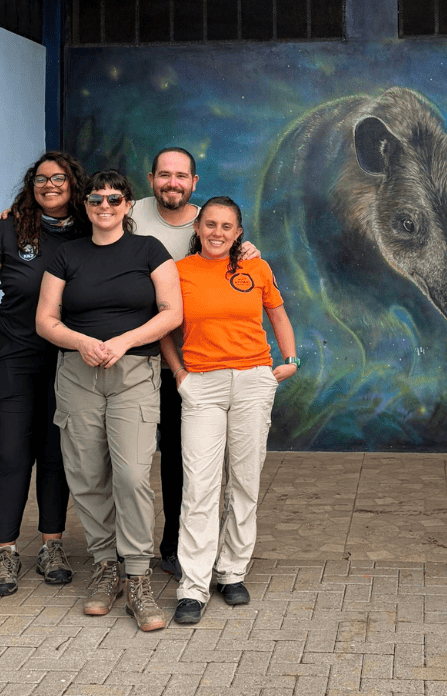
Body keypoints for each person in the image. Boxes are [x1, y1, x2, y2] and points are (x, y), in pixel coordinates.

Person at [36, 170, 182, 632]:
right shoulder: (66, 254)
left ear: (127, 204)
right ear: (86, 205)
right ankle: (105, 567)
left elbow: (172, 312)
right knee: (87, 472)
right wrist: (81, 342)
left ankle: (137, 576)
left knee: (133, 474)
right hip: (77, 374)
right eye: (96, 199)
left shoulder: (149, 251)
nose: (104, 206)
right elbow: (45, 319)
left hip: (133, 374)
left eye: (113, 199)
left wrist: (124, 341)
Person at [158, 197, 298, 625]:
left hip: (254, 381)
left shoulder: (257, 268)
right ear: (197, 227)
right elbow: (165, 327)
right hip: (202, 384)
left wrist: (289, 360)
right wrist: (180, 375)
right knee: (199, 486)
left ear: (239, 233)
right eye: (210, 224)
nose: (217, 232)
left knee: (245, 480)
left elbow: (277, 313)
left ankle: (232, 572)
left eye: (227, 227)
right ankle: (193, 587)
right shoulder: (178, 273)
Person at [131, 147, 258, 581]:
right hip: (142, 360)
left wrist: (246, 250)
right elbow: (89, 222)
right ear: (151, 179)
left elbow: (239, 259)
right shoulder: (129, 213)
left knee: (188, 464)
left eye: (180, 175)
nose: (172, 182)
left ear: (194, 182)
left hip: (196, 366)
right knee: (159, 459)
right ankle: (155, 547)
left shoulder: (212, 220)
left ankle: (184, 550)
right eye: (164, 174)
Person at [0, 151, 90, 596]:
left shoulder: (90, 232)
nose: (49, 185)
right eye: (40, 179)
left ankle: (51, 545)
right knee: (10, 455)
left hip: (67, 361)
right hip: (9, 357)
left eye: (59, 177)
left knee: (55, 453)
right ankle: (5, 551)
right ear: (30, 185)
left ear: (74, 183)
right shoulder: (9, 228)